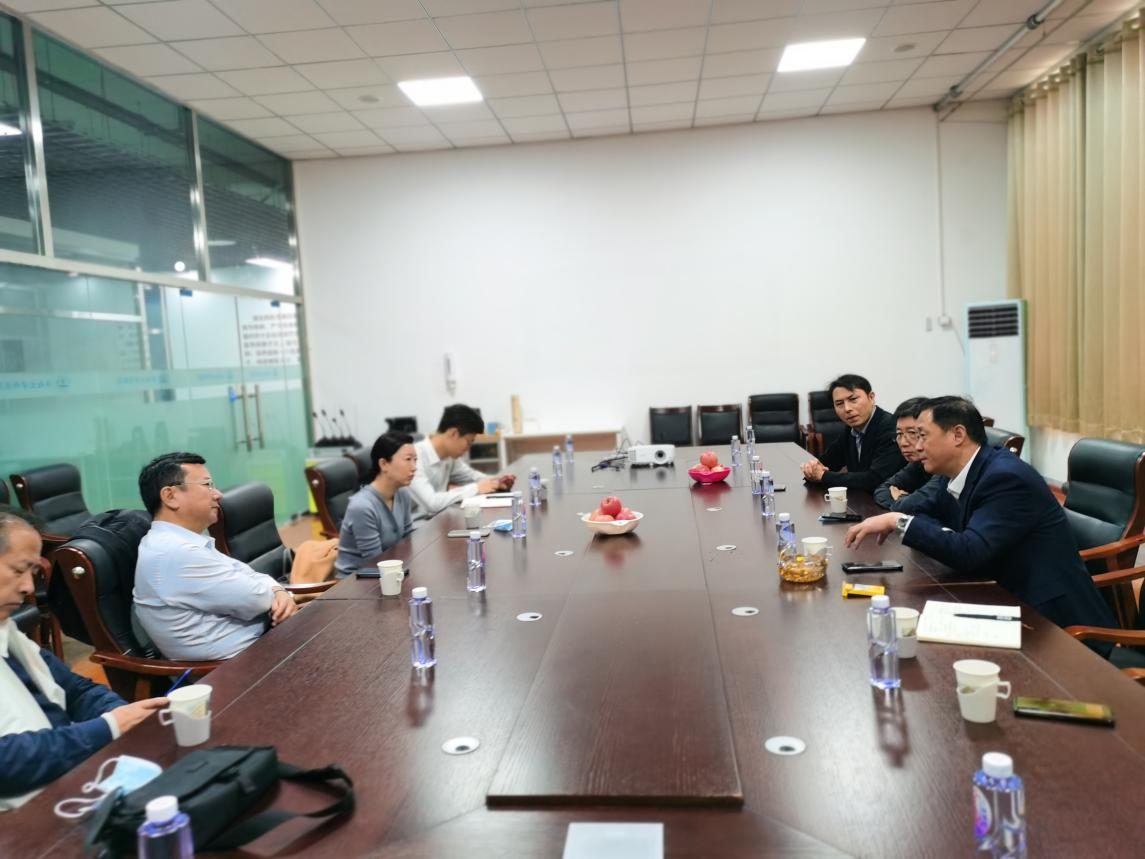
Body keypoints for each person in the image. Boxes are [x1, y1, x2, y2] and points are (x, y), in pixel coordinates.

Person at [843, 397, 1117, 636]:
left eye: (922, 435)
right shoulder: (953, 473)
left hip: (1050, 621)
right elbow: (924, 513)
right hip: (998, 594)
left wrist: (897, 521)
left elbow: (970, 551)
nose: (917, 445)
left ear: (957, 435)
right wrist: (939, 531)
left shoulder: (1006, 478)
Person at [0, 509, 166, 811]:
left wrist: (120, 713)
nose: (28, 588)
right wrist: (108, 727)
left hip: (68, 783)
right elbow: (5, 762)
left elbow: (75, 690)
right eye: (18, 570)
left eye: (32, 573)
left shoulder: (7, 631)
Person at [134, 452, 301, 661]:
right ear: (170, 496)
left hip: (263, 644)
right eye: (207, 485)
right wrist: (276, 593)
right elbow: (257, 600)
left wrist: (277, 590)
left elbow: (245, 572)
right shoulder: (176, 552)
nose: (218, 495)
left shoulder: (179, 541)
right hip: (241, 666)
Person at [801, 374, 905, 492]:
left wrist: (823, 476)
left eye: (853, 399)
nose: (847, 409)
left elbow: (876, 479)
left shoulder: (891, 427)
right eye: (839, 403)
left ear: (871, 397)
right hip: (862, 498)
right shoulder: (851, 429)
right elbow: (827, 462)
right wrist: (811, 469)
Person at [409, 404, 515, 519]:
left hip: (440, 519)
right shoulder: (413, 457)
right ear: (454, 433)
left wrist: (496, 481)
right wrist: (476, 488)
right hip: (418, 526)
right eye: (469, 442)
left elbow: (471, 476)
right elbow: (432, 503)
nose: (468, 448)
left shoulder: (449, 457)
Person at [336, 432, 418, 576]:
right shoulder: (362, 506)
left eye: (415, 460)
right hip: (357, 579)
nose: (414, 467)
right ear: (383, 464)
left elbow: (407, 541)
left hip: (390, 570)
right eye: (408, 459)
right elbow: (375, 562)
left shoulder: (402, 494)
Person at [873, 397, 943, 513]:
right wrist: (901, 503)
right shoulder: (917, 463)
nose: (903, 443)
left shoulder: (945, 467)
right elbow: (881, 490)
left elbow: (912, 505)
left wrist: (901, 499)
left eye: (912, 433)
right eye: (899, 434)